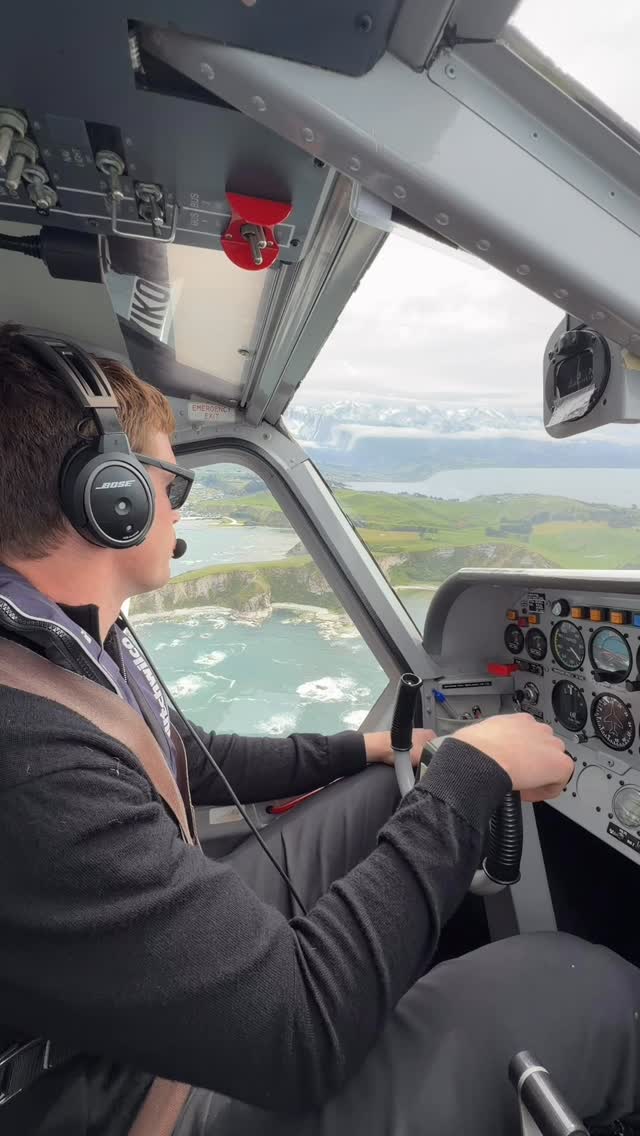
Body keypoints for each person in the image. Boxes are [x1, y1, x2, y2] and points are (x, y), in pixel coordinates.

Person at [0, 324, 638, 1136]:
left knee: (385, 789)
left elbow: (180, 756)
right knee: (586, 987)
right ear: (109, 498)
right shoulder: (24, 754)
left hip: (140, 998)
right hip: (130, 1098)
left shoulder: (61, 636)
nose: (177, 506)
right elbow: (298, 1035)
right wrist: (471, 775)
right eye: (174, 484)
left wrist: (373, 748)